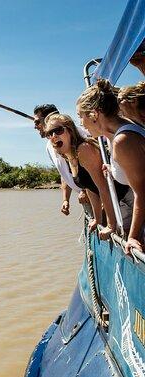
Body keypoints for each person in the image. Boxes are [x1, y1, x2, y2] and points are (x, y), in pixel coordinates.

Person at [77, 79, 145, 254]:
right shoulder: (118, 134)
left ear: (94, 114)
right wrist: (114, 169)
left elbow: (142, 192)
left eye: (80, 117)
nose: (81, 124)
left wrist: (133, 237)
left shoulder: (123, 140)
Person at [44, 113, 129, 240]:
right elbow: (90, 188)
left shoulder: (83, 149)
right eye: (49, 134)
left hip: (125, 199)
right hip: (115, 202)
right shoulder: (69, 156)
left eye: (58, 130)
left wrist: (111, 225)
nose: (53, 136)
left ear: (70, 131)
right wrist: (97, 219)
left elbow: (103, 187)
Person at [33, 104, 88, 216]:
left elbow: (96, 167)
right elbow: (64, 173)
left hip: (103, 196)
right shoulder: (50, 145)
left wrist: (86, 190)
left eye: (37, 122)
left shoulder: (79, 136)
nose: (35, 126)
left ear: (50, 119)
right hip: (86, 199)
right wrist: (65, 199)